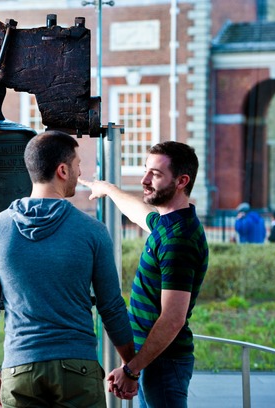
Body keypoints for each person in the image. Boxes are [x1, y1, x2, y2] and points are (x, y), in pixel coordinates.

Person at [0, 130, 137, 407]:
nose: (79, 171)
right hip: (78, 370)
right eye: (77, 165)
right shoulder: (92, 231)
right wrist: (130, 367)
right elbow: (111, 306)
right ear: (62, 170)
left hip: (20, 368)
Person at [79, 141, 209, 408]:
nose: (145, 180)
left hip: (162, 362)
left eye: (156, 174)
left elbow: (173, 318)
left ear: (182, 181)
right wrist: (107, 189)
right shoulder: (167, 222)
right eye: (146, 170)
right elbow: (140, 213)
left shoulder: (178, 240)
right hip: (154, 360)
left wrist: (131, 370)